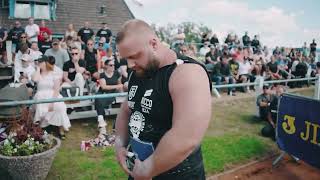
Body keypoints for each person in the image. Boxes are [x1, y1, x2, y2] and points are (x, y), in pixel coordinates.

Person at [114, 19, 211, 180]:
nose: (130, 64)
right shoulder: (139, 71)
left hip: (178, 174)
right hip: (140, 167)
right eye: (126, 59)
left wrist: (148, 169)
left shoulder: (187, 73)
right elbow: (126, 110)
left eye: (134, 56)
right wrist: (119, 145)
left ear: (153, 44)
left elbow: (186, 137)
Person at [32, 55, 71, 139]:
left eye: (41, 62)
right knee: (40, 105)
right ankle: (42, 128)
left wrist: (51, 103)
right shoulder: (38, 73)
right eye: (39, 62)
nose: (39, 63)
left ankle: (60, 129)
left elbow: (56, 90)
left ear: (45, 63)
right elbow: (35, 79)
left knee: (60, 107)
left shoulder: (54, 73)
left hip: (53, 95)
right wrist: (38, 69)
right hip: (40, 96)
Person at [95, 60, 123, 136]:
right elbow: (104, 87)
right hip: (103, 92)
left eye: (113, 65)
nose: (113, 66)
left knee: (98, 101)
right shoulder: (102, 75)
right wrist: (117, 86)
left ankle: (102, 123)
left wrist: (121, 94)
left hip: (112, 94)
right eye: (111, 65)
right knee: (98, 99)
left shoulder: (117, 73)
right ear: (106, 66)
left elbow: (120, 84)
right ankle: (101, 122)